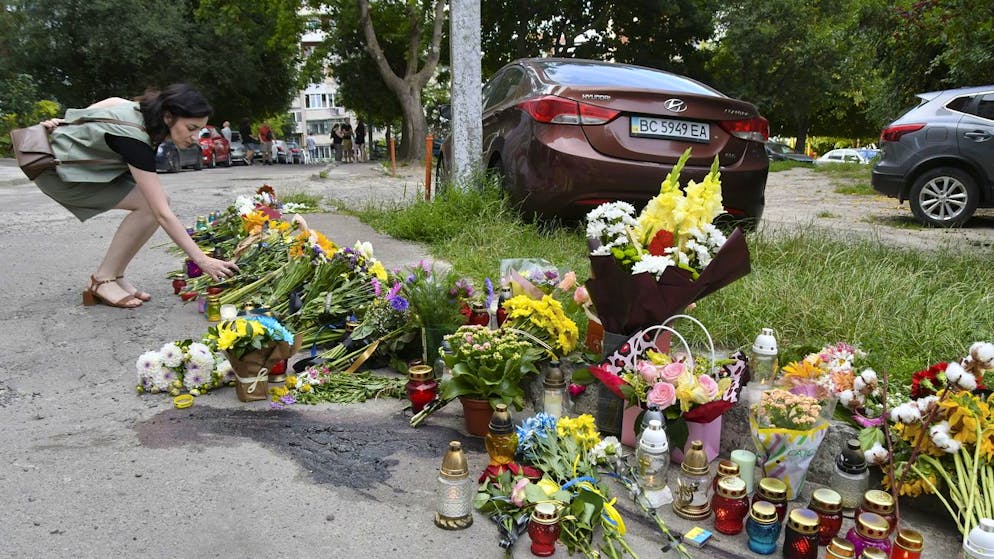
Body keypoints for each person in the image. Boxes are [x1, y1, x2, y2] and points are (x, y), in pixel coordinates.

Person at [34, 83, 238, 308]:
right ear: (168, 117)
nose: (196, 137)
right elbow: (162, 214)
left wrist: (66, 123)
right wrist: (202, 260)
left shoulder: (134, 109)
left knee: (153, 203)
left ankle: (116, 276)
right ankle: (103, 279)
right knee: (151, 206)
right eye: (191, 128)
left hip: (79, 168)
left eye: (199, 129)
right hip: (61, 174)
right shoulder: (134, 139)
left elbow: (108, 103)